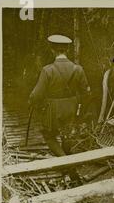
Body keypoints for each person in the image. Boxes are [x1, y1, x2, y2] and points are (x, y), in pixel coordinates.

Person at [29, 34, 90, 183]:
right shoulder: (78, 69)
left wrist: (34, 103)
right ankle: (68, 165)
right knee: (67, 135)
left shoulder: (47, 70)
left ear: (52, 50)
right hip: (71, 106)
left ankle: (66, 164)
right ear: (67, 50)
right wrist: (79, 108)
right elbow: (86, 93)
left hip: (52, 108)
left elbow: (36, 95)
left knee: (49, 136)